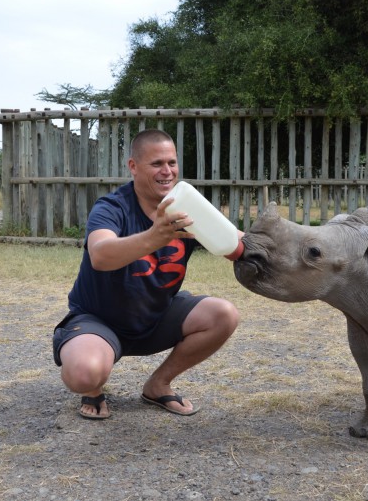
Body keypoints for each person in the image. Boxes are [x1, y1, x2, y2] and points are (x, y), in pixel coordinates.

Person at [52, 128, 241, 419]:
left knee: (224, 314)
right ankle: (92, 388)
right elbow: (100, 255)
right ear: (133, 166)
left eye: (172, 163)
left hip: (156, 316)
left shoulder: (186, 209)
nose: (167, 171)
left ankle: (158, 384)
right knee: (84, 374)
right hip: (100, 321)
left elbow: (235, 242)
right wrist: (155, 237)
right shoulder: (112, 207)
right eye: (157, 164)